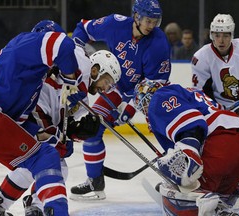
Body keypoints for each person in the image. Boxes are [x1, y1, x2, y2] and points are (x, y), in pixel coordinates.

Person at [0, 20, 122, 216]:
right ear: (97, 69)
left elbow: (69, 125)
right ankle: (34, 205)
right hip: (32, 112)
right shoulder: (80, 59)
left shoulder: (84, 95)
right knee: (50, 160)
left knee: (40, 158)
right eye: (107, 81)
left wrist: (78, 132)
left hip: (28, 113)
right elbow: (63, 48)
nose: (106, 89)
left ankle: (1, 205)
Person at [70, 0, 171, 200]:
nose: (151, 26)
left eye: (155, 21)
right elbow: (83, 28)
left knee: (162, 128)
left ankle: (180, 173)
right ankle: (95, 181)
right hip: (115, 87)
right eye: (148, 20)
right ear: (136, 16)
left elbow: (155, 85)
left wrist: (131, 107)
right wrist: (77, 54)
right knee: (92, 126)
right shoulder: (115, 24)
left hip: (147, 93)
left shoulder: (158, 43)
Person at [133, 79, 239, 214]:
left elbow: (192, 123)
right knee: (223, 197)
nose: (145, 112)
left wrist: (189, 153)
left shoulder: (159, 97)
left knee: (180, 192)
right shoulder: (190, 93)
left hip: (217, 149)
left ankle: (209, 207)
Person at [191, 14, 239, 132]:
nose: (221, 40)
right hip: (217, 107)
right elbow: (201, 93)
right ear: (211, 35)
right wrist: (215, 111)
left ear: (232, 35)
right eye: (217, 35)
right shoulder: (201, 58)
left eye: (226, 35)